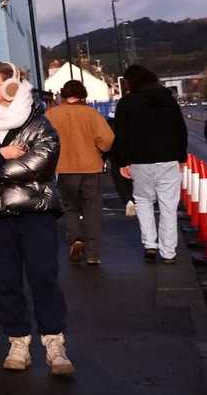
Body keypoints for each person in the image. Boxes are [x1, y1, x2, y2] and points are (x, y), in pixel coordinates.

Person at [0, 63, 72, 376]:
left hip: (35, 212)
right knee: (3, 279)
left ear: (11, 89)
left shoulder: (37, 121)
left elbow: (43, 158)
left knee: (42, 275)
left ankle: (53, 342)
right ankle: (18, 341)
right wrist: (0, 154)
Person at [110, 64, 189, 264]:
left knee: (143, 202)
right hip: (169, 159)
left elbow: (121, 136)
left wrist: (122, 162)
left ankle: (150, 246)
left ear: (130, 82)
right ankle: (168, 251)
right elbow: (180, 130)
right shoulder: (168, 101)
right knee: (168, 207)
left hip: (140, 161)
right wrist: (181, 157)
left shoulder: (126, 103)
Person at [46, 79, 115, 265]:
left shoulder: (51, 114)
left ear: (63, 95)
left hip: (64, 168)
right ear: (82, 96)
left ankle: (75, 239)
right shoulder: (91, 114)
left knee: (70, 207)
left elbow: (44, 140)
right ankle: (93, 253)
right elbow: (107, 140)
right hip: (91, 167)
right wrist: (98, 149)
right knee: (92, 209)